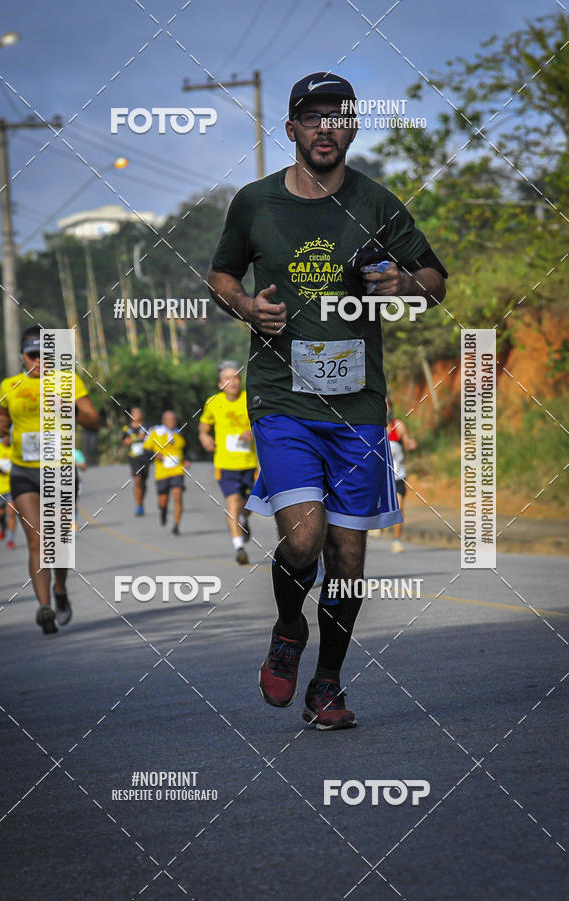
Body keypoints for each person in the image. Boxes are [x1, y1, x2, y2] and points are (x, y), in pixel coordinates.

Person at [207, 72, 447, 729]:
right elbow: (221, 273)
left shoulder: (376, 202)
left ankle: (328, 684)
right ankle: (289, 627)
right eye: (311, 117)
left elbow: (435, 278)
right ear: (290, 129)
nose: (324, 127)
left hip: (360, 406)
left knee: (348, 556)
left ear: (352, 128)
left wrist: (401, 283)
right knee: (306, 539)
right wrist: (246, 305)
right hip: (283, 399)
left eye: (337, 116)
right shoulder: (255, 204)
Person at [0, 325, 99, 635]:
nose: (39, 361)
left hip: (61, 470)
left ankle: (60, 589)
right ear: (22, 357)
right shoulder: (9, 385)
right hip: (23, 471)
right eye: (32, 355)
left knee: (59, 542)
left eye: (45, 354)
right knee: (37, 540)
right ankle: (44, 608)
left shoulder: (68, 381)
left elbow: (93, 421)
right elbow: (2, 420)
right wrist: (1, 430)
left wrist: (70, 409)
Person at [199, 363, 258, 565]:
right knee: (232, 502)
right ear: (220, 384)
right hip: (225, 465)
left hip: (250, 463)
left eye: (236, 377)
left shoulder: (248, 399)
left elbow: (263, 422)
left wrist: (252, 432)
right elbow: (203, 427)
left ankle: (243, 519)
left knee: (248, 506)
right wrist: (204, 437)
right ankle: (239, 547)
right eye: (227, 378)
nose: (232, 382)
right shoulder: (213, 402)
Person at [144, 410, 190, 534]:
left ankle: (176, 525)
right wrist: (154, 455)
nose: (172, 422)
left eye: (174, 419)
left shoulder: (179, 433)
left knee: (178, 496)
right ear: (163, 421)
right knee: (163, 500)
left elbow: (185, 449)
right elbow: (146, 449)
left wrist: (186, 460)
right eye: (169, 419)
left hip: (177, 470)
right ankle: (163, 511)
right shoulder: (155, 432)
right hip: (162, 472)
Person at [386, 398, 417, 553]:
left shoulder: (398, 426)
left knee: (398, 508)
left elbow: (406, 442)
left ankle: (396, 540)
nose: (385, 408)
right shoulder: (372, 427)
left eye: (387, 405)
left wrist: (411, 444)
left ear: (391, 408)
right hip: (378, 478)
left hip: (397, 475)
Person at [122, 407, 151, 516]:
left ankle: (141, 501)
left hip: (146, 456)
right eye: (134, 413)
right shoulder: (127, 428)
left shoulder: (147, 426)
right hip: (133, 458)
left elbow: (153, 438)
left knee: (143, 481)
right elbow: (124, 441)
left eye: (139, 413)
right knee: (137, 479)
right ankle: (138, 505)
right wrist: (130, 440)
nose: (136, 415)